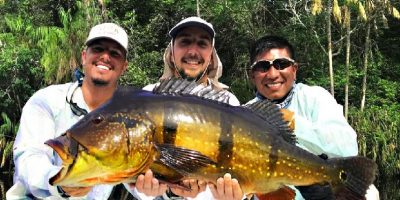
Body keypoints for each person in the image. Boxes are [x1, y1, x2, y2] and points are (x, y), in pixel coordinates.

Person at [6, 22, 132, 199]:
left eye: (114, 53)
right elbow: (29, 159)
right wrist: (61, 181)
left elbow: (136, 179)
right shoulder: (47, 100)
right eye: (98, 49)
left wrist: (164, 190)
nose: (105, 56)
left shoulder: (127, 118)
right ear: (83, 56)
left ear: (124, 66)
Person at [246, 35, 379, 200]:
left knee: (369, 193)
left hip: (324, 188)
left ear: (294, 70)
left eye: (282, 64)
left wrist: (293, 122)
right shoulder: (243, 114)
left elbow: (348, 148)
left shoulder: (315, 97)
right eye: (263, 66)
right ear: (252, 75)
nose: (273, 74)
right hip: (271, 191)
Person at [134, 16, 245, 200]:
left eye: (202, 44)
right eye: (185, 42)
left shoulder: (229, 103)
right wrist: (165, 190)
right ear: (171, 52)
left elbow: (240, 171)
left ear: (211, 56)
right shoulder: (149, 97)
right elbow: (132, 178)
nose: (193, 51)